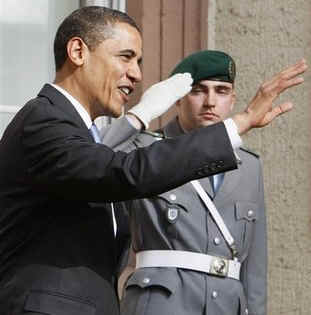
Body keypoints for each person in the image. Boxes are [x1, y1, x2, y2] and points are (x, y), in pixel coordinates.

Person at [0, 5, 306, 315]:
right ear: (78, 51)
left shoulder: (77, 132)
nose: (137, 74)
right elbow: (121, 172)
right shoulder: (44, 119)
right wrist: (237, 124)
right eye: (125, 57)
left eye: (139, 61)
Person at [113, 51, 289, 315]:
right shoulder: (145, 148)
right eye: (198, 91)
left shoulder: (249, 165)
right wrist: (139, 115)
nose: (210, 102)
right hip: (161, 304)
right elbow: (88, 159)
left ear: (232, 100)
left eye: (221, 91)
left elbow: (254, 268)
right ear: (177, 99)